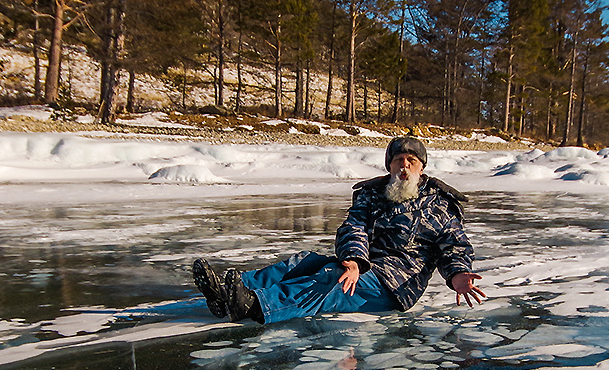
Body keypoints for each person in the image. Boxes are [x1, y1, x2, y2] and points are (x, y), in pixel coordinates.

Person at [193, 135, 486, 323]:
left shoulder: (438, 205)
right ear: (389, 166)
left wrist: (458, 275)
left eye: (411, 161)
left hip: (396, 283)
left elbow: (455, 245)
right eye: (398, 160)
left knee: (329, 279)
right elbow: (353, 226)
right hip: (365, 267)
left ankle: (255, 305)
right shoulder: (373, 194)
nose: (404, 167)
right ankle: (233, 287)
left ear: (422, 168)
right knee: (304, 261)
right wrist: (356, 261)